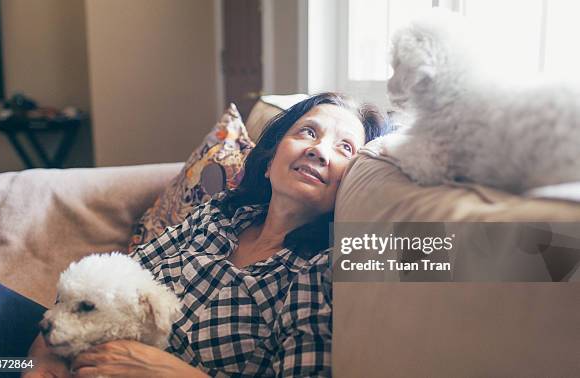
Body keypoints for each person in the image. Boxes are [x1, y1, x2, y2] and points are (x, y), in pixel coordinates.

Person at [24, 92, 390, 377]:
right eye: (308, 132)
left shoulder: (318, 273)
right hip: (67, 351)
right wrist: (41, 358)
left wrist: (171, 373)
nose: (319, 150)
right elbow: (102, 284)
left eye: (345, 148)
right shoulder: (218, 215)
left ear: (350, 186)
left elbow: (445, 250)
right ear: (269, 162)